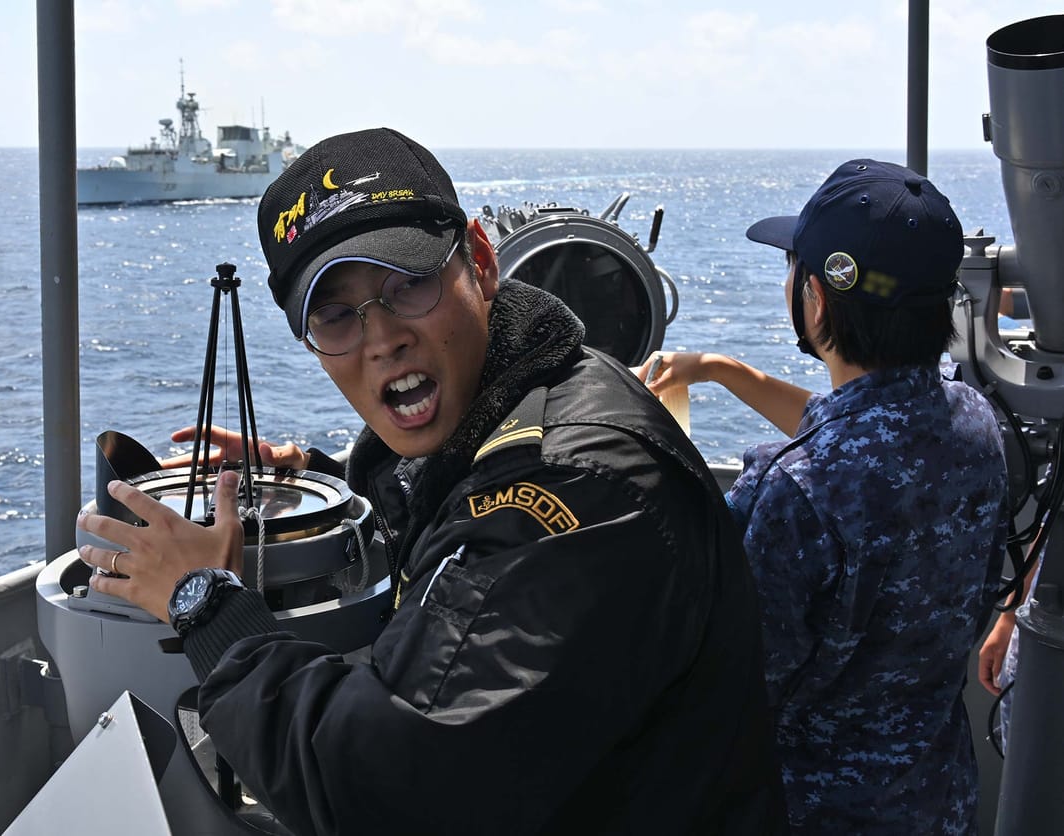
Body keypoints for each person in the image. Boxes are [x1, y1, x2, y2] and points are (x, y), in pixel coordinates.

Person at [77, 127, 788, 835]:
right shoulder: (529, 397)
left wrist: (207, 605)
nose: (382, 337)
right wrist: (308, 473)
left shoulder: (582, 488)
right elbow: (464, 508)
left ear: (480, 263)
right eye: (335, 316)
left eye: (408, 284)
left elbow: (385, 792)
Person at [640, 160, 1008, 833]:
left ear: (816, 297)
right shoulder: (973, 423)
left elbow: (730, 685)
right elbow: (869, 432)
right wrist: (725, 371)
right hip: (936, 797)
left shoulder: (789, 494)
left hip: (813, 811)